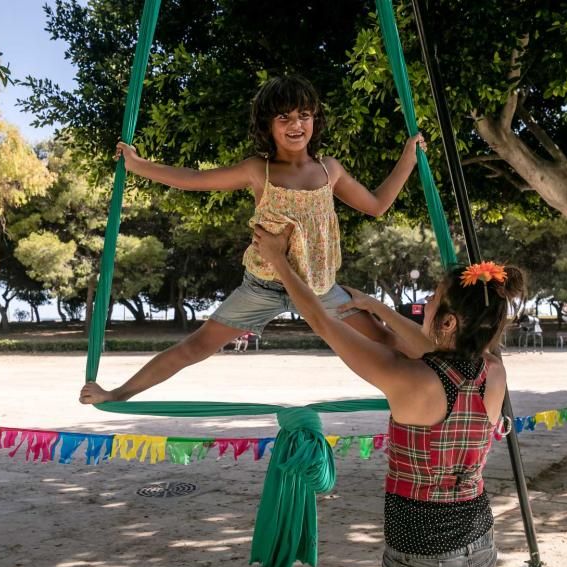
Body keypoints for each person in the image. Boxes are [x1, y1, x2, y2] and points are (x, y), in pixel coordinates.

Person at [253, 222, 521, 567]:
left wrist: (280, 262)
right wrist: (375, 307)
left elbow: (322, 322)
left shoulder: (409, 378)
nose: (425, 306)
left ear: (450, 320)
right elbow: (427, 343)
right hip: (479, 546)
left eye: (432, 301)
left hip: (422, 555)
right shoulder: (494, 372)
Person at [79, 75, 425, 405]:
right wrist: (139, 166)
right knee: (196, 346)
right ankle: (118, 392)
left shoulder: (328, 170)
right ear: (268, 126)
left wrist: (409, 157)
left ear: (315, 121)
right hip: (263, 286)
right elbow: (194, 179)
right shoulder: (259, 170)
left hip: (320, 287)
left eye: (304, 115)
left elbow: (377, 205)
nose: (296, 125)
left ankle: (438, 385)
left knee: (383, 339)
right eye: (284, 117)